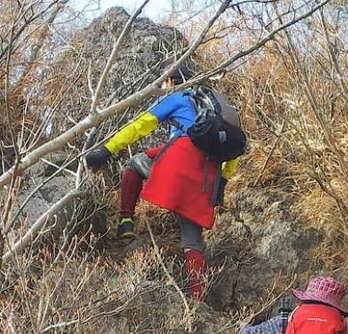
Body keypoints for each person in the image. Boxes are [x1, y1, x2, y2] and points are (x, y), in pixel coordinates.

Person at [85, 64, 240, 299]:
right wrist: (223, 182)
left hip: (179, 158)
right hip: (209, 173)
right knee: (192, 238)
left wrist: (107, 150)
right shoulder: (218, 109)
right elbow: (234, 148)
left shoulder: (177, 98)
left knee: (134, 164)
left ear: (170, 81)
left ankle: (126, 222)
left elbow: (139, 126)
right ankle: (196, 298)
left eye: (164, 83)